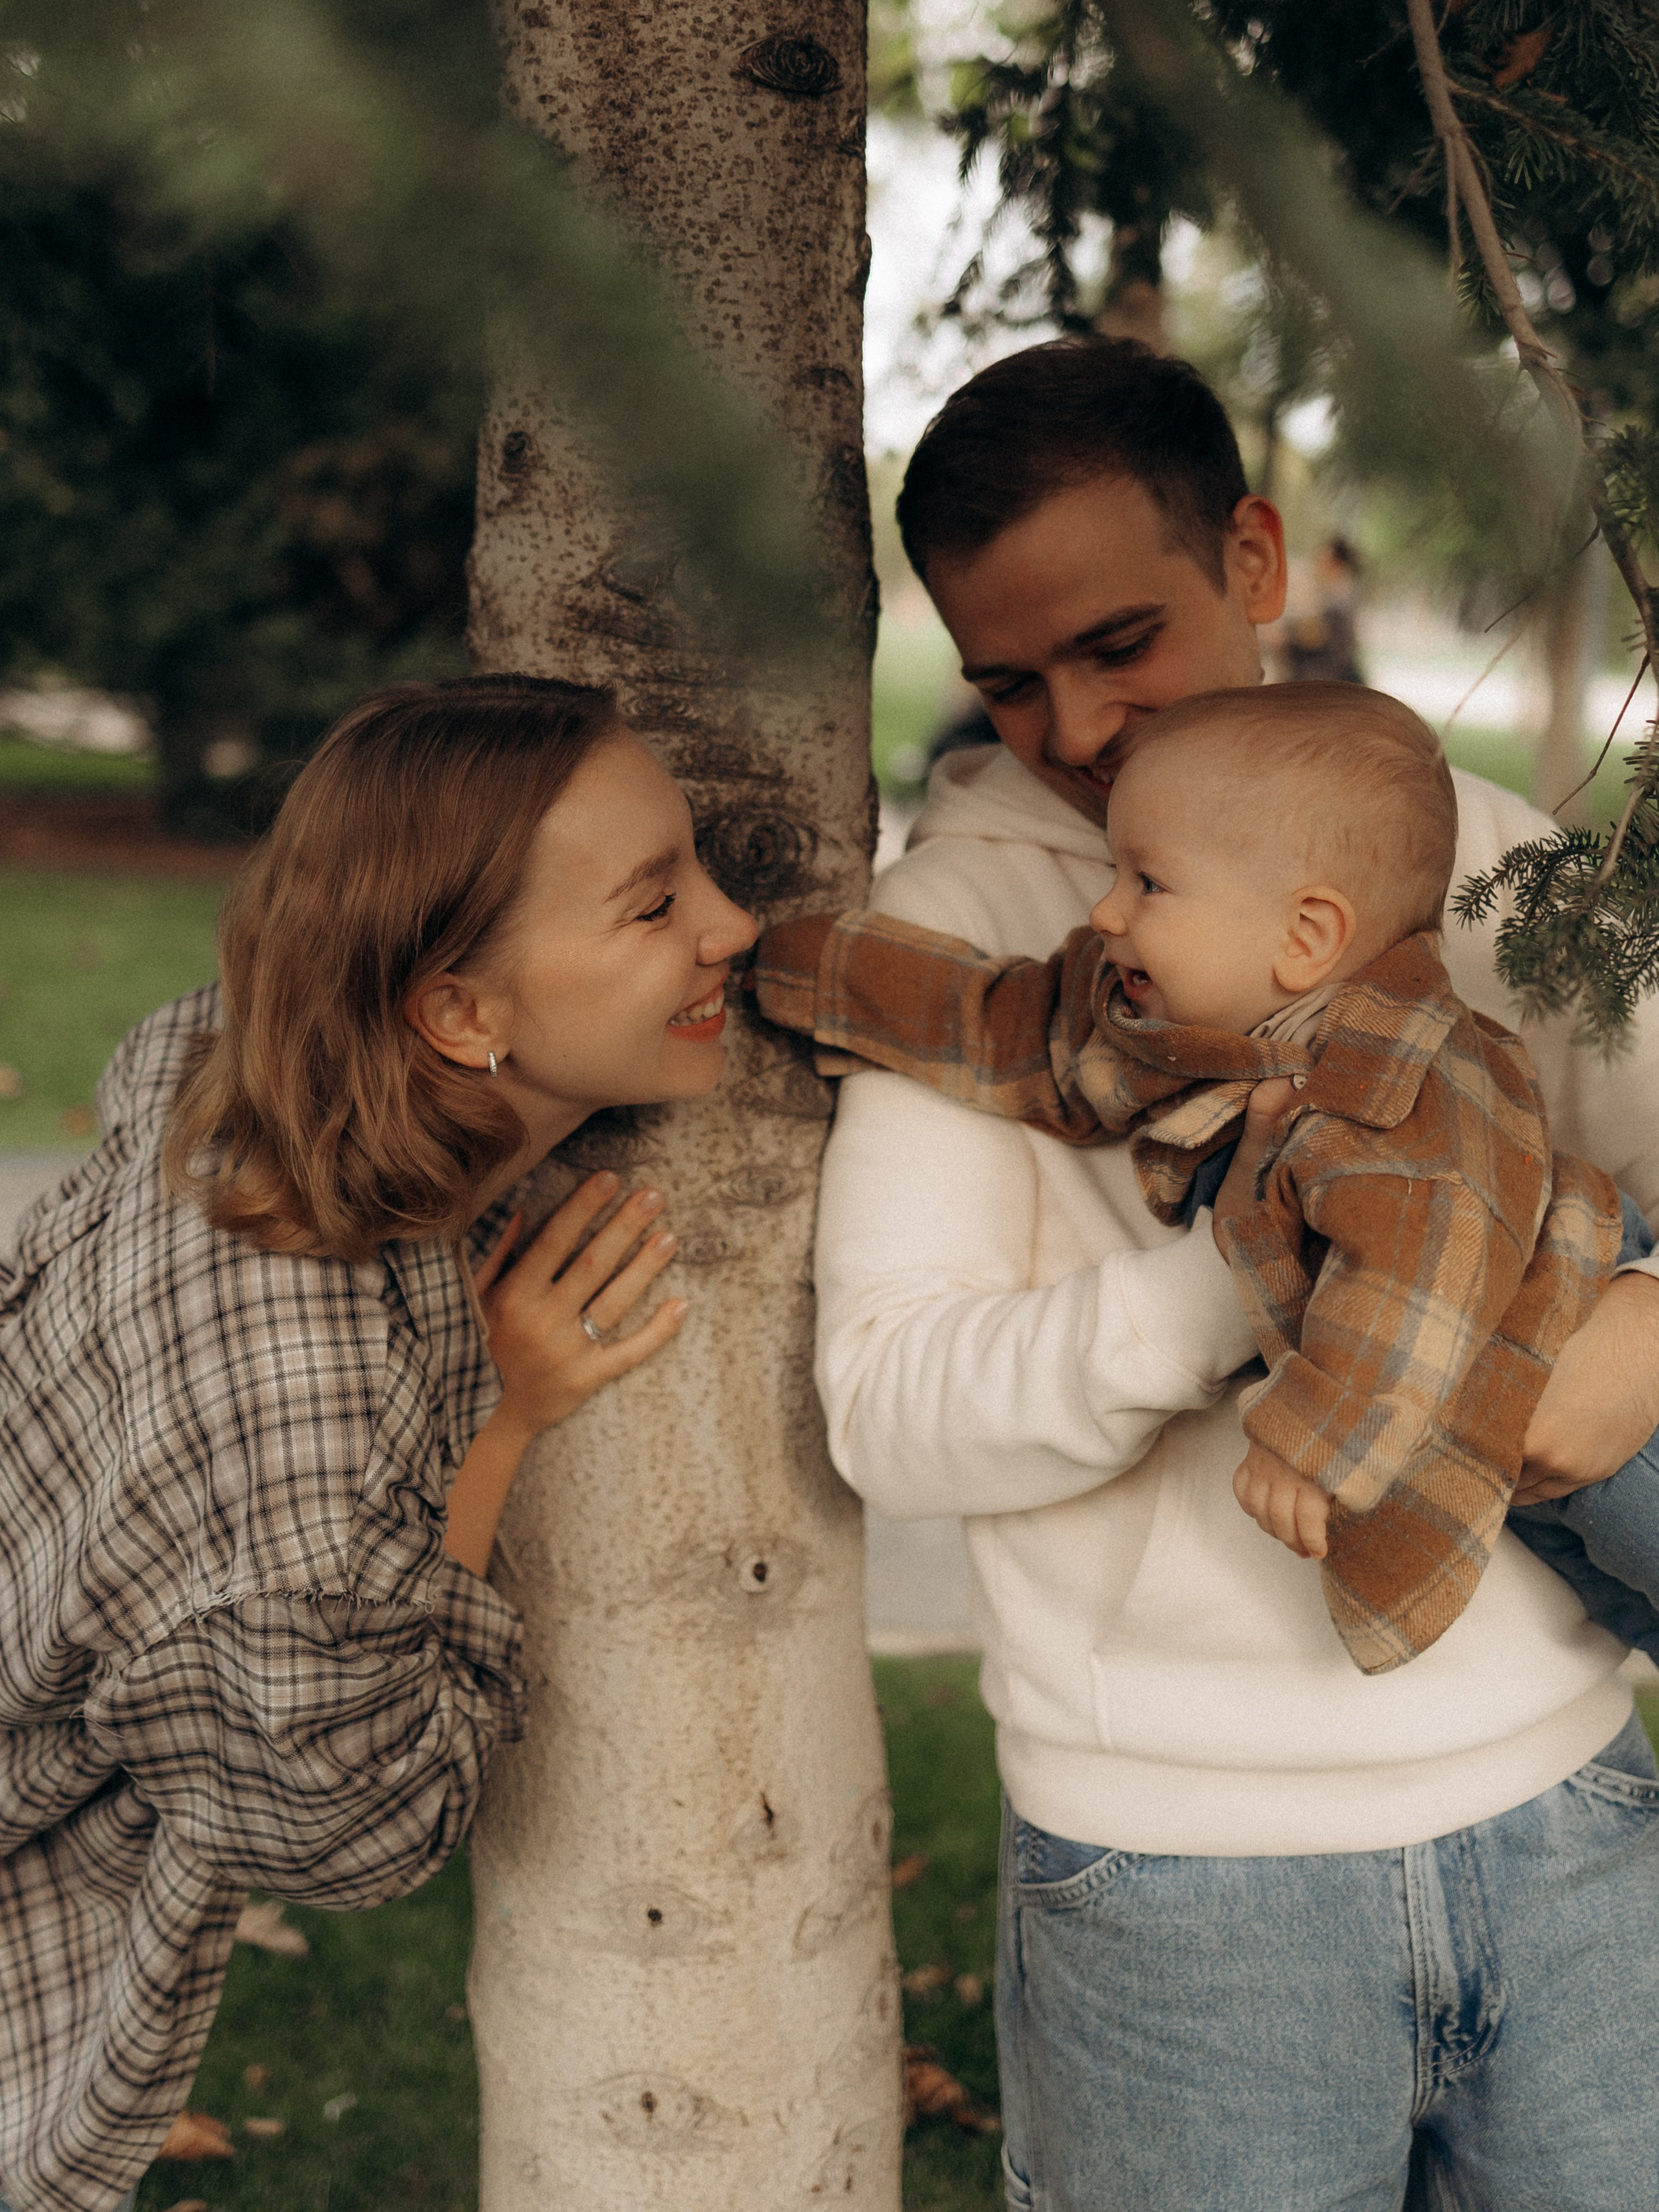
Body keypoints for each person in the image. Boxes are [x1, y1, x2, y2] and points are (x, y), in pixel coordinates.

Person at [811, 337, 1659, 2209]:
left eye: (1124, 643)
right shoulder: (968, 931)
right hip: (1185, 1891)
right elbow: (888, 1409)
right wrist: (1242, 1290)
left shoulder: (1484, 855)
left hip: (1578, 1814)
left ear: (1257, 561)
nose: (1079, 724)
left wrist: (1604, 1323)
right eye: (1012, 679)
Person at [0, 674, 757, 2212]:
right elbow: (358, 1823)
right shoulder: (310, 1418)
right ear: (460, 1014)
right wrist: (504, 1419)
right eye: (651, 905)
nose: (732, 928)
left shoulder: (220, 1074)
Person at [754, 681, 1659, 1678]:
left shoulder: (1398, 1080)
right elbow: (1010, 1022)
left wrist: (1307, 1442)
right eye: (1112, 870)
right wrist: (813, 974)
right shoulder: (1182, 1024)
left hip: (1569, 1342)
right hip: (1501, 1445)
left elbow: (1419, 1271)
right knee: (1621, 1600)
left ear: (1305, 937)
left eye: (1147, 882)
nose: (1104, 911)